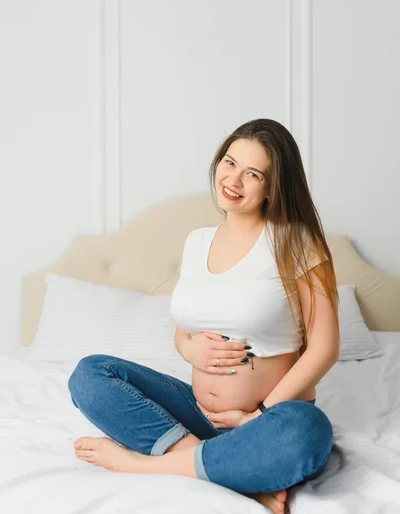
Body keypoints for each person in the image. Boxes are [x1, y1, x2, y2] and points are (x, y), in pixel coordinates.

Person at [68, 119, 339, 514]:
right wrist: (189, 350)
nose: (233, 180)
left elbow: (325, 348)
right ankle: (220, 467)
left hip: (269, 417)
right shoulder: (197, 242)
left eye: (253, 174)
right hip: (197, 413)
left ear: (272, 186)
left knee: (308, 433)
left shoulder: (295, 241)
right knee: (89, 375)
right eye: (229, 163)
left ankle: (146, 466)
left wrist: (256, 417)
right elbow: (185, 330)